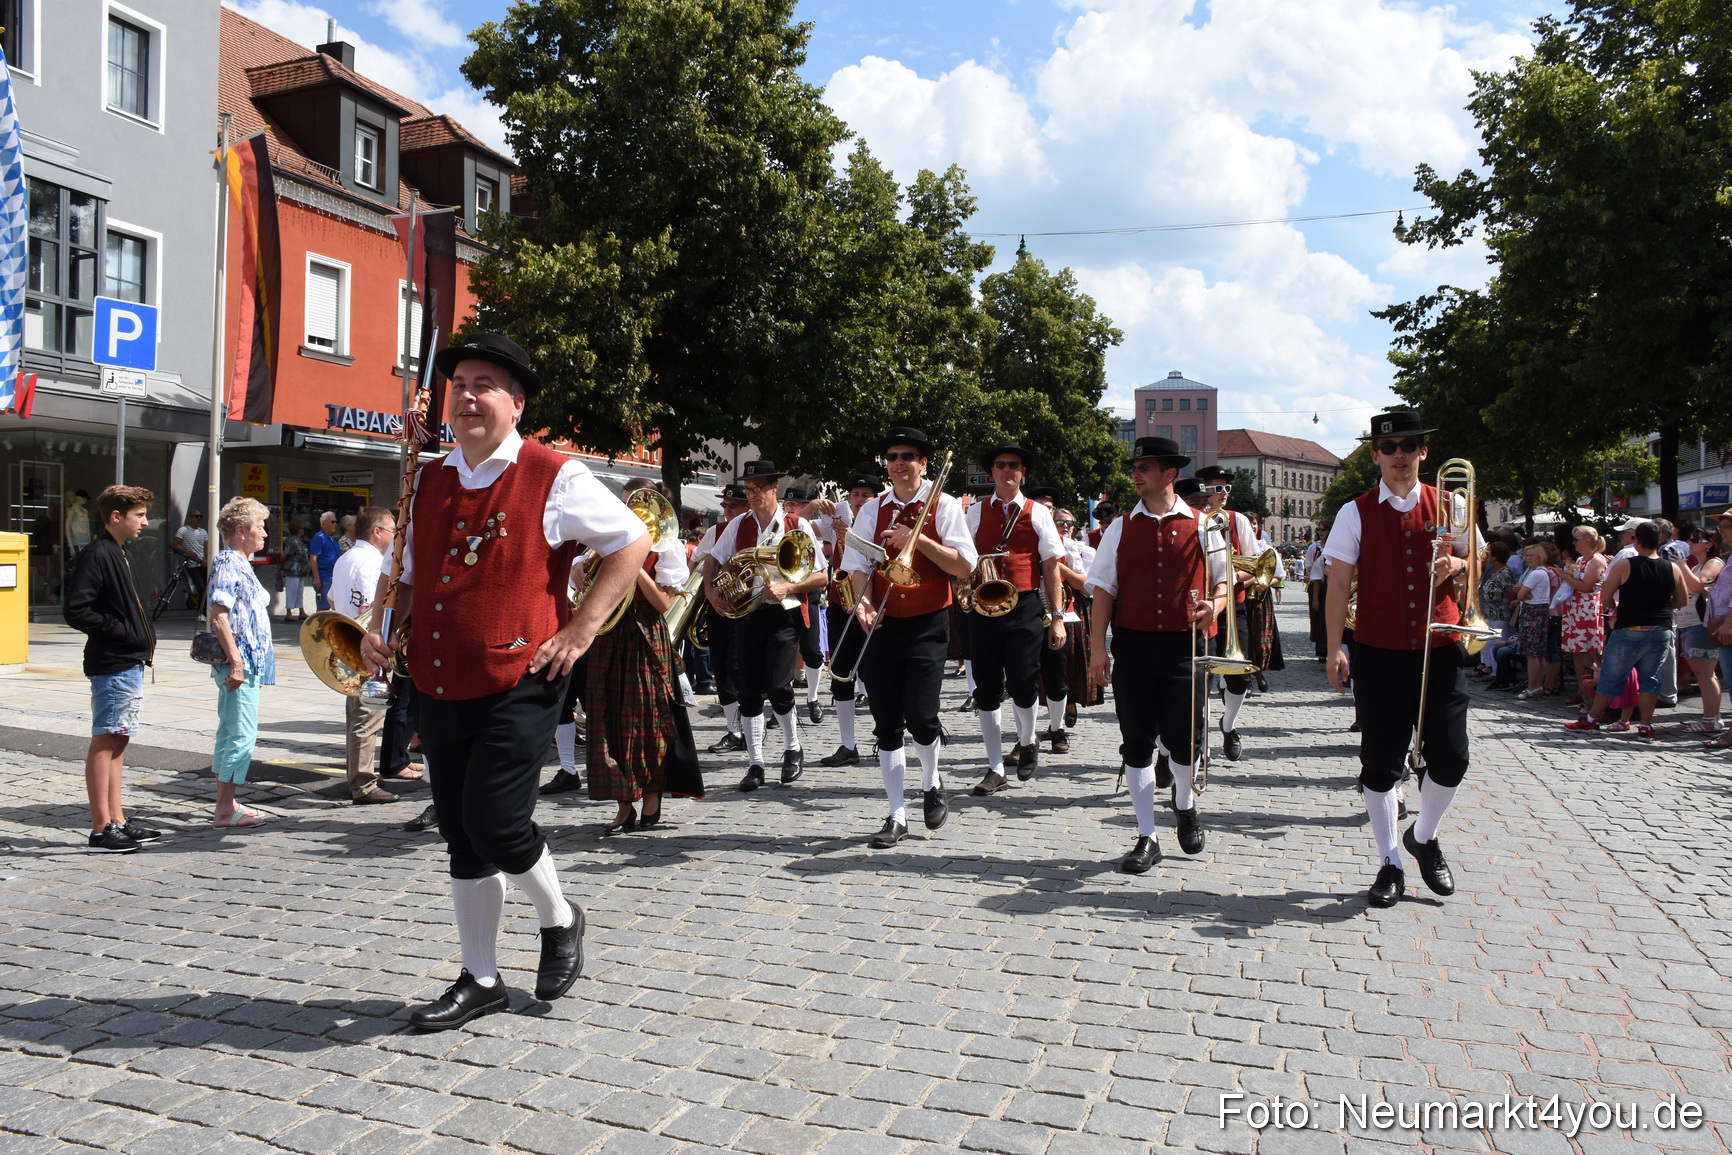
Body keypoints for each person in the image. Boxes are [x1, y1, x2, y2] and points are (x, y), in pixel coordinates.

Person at [360, 332, 651, 1030]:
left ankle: (559, 917)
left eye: (483, 383)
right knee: (461, 833)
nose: (465, 395)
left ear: (515, 403)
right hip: (436, 676)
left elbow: (631, 541)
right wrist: (377, 625)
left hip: (520, 674)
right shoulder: (428, 476)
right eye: (458, 382)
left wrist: (580, 628)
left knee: (495, 819)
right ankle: (481, 976)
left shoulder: (555, 473)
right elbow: (405, 572)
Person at [1324, 410, 1473, 909]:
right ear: (1376, 456)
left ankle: (1423, 837)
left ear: (1423, 452)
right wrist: (1333, 648)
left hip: (1442, 647)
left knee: (1452, 757)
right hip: (1380, 651)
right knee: (1381, 763)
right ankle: (1389, 859)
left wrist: (1457, 561)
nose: (1399, 456)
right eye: (1389, 448)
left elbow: (1474, 558)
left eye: (1408, 446)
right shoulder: (1354, 511)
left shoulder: (1450, 502)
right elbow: (1338, 584)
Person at [1085, 437, 1226, 874]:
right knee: (1137, 744)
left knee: (1186, 742)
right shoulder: (1119, 527)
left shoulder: (1206, 526)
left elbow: (1225, 583)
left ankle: (1184, 804)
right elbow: (1104, 589)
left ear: (1169, 475)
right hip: (1134, 646)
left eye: (1145, 467)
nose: (1136, 473)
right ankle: (1147, 834)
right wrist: (1096, 650)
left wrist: (1214, 607)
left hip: (1185, 648)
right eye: (1135, 466)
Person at [840, 427, 977, 848]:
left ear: (923, 463)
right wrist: (860, 603)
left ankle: (932, 782)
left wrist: (919, 540)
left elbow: (964, 566)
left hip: (928, 621)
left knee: (921, 715)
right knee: (886, 722)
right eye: (893, 455)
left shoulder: (945, 504)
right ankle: (896, 813)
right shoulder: (872, 509)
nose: (899, 462)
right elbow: (855, 561)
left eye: (908, 456)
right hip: (881, 621)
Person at [584, 479, 705, 834]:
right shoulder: (606, 538)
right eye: (624, 505)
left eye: (634, 506)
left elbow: (664, 603)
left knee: (646, 723)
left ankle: (651, 799)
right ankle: (624, 805)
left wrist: (632, 564)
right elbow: (583, 581)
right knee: (606, 721)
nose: (626, 513)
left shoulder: (665, 547)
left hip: (643, 636)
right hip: (608, 636)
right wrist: (581, 569)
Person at [704, 461, 828, 791]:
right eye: (749, 489)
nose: (753, 494)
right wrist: (713, 591)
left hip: (783, 614)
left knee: (778, 686)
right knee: (748, 691)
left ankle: (792, 748)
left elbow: (823, 575)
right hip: (747, 614)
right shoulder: (737, 525)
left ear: (775, 488)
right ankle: (756, 763)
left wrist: (788, 587)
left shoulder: (796, 523)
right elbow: (716, 561)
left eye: (759, 488)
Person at [64, 484, 160, 853]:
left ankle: (116, 820)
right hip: (113, 663)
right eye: (139, 515)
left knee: (119, 741)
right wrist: (121, 632)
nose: (145, 522)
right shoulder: (98, 553)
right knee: (106, 742)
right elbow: (77, 609)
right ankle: (100, 826)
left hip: (129, 662)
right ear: (116, 517)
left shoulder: (121, 552)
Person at [965, 449, 1066, 797]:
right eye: (1000, 465)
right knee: (986, 689)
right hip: (984, 604)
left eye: (1014, 466)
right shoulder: (975, 512)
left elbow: (1051, 566)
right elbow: (963, 558)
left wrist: (1057, 618)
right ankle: (994, 767)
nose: (1007, 471)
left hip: (1023, 603)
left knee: (1024, 682)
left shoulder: (1037, 512)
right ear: (991, 471)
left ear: (1023, 472)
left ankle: (1028, 741)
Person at [1564, 521, 1695, 740]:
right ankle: (1645, 726)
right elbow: (1681, 599)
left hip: (1630, 627)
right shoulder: (1672, 567)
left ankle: (1592, 719)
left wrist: (1619, 610)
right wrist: (1660, 608)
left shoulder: (1625, 565)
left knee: (1611, 676)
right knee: (1650, 680)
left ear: (1636, 540)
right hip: (1660, 628)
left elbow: (1605, 596)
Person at [330, 506, 414, 805]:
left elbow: (331, 599)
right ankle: (363, 785)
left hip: (350, 646)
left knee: (357, 717)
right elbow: (369, 611)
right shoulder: (371, 563)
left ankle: (358, 777)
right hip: (366, 650)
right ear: (377, 531)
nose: (396, 537)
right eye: (393, 531)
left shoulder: (345, 558)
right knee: (367, 719)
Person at [207, 497, 277, 828]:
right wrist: (236, 662)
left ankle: (227, 802)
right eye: (259, 526)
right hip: (240, 663)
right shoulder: (229, 563)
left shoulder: (238, 562)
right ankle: (223, 809)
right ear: (240, 531)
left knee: (233, 730)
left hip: (246, 662)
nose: (264, 532)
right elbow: (218, 614)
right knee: (241, 735)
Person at [1194, 465, 1257, 760]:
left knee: (1238, 677)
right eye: (1217, 488)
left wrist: (1228, 578)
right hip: (1201, 608)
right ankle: (1200, 737)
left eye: (1227, 489)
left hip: (1234, 604)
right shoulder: (1194, 520)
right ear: (1204, 490)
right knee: (1201, 677)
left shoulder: (1238, 521)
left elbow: (1255, 568)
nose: (1223, 494)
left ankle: (1228, 725)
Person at [817, 475, 881, 766]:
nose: (858, 499)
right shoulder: (836, 523)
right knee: (841, 673)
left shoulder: (880, 522)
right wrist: (815, 507)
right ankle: (847, 745)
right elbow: (801, 527)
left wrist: (850, 536)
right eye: (854, 494)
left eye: (865, 494)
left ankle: (886, 732)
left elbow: (881, 558)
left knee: (875, 672)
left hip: (870, 604)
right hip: (839, 604)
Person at [692, 484, 749, 757]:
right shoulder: (716, 531)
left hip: (749, 608)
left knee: (738, 667)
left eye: (733, 506)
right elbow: (697, 561)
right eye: (725, 506)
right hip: (720, 607)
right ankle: (735, 730)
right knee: (722, 668)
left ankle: (750, 726)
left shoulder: (754, 529)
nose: (726, 511)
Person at [1675, 531, 1724, 733]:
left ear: (1709, 544)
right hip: (1689, 623)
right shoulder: (1696, 565)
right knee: (1702, 674)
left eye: (1695, 540)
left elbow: (1700, 585)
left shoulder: (1713, 563)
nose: (1690, 543)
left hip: (1699, 624)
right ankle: (1709, 717)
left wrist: (1681, 564)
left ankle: (1711, 719)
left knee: (1705, 674)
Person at [1558, 528, 1608, 709]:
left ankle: (1591, 690)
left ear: (1587, 540)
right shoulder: (1582, 560)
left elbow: (1586, 586)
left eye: (1576, 539)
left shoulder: (1596, 560)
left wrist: (1564, 576)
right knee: (1577, 651)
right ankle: (1582, 689)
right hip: (1576, 608)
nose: (1574, 543)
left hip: (1587, 608)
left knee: (1588, 650)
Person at [1510, 543, 1561, 700]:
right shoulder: (1543, 572)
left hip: (1533, 613)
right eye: (1527, 555)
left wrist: (1523, 592)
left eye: (1532, 555)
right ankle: (1538, 686)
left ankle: (1532, 687)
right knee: (1539, 654)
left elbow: (1520, 595)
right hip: (1540, 612)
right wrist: (1525, 593)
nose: (1528, 558)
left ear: (1540, 556)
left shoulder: (1536, 574)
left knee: (1532, 654)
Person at [171, 509, 208, 608]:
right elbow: (174, 544)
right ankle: (202, 612)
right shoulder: (183, 530)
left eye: (200, 516)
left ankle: (203, 610)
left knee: (207, 589)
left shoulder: (203, 531)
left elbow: (206, 547)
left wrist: (206, 559)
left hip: (202, 563)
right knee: (202, 588)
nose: (198, 518)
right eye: (196, 516)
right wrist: (188, 553)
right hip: (192, 564)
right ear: (190, 518)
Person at [1304, 525, 1330, 659]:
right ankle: (1322, 650)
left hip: (1332, 586)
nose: (1321, 532)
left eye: (1323, 529)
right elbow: (1310, 568)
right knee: (1320, 618)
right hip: (1319, 586)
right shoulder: (1315, 548)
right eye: (1319, 530)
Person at [281, 519, 313, 621]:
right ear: (298, 530)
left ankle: (301, 610)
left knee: (299, 591)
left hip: (300, 571)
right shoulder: (293, 541)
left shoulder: (299, 541)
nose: (303, 530)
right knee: (292, 590)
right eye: (302, 528)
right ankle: (289, 612)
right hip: (293, 570)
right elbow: (284, 554)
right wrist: (281, 566)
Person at [309, 511, 342, 610]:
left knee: (333, 606)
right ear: (324, 524)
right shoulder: (319, 538)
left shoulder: (332, 538)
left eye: (336, 522)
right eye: (332, 522)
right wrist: (316, 578)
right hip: (324, 578)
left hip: (333, 578)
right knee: (323, 607)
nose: (335, 524)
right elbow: (313, 558)